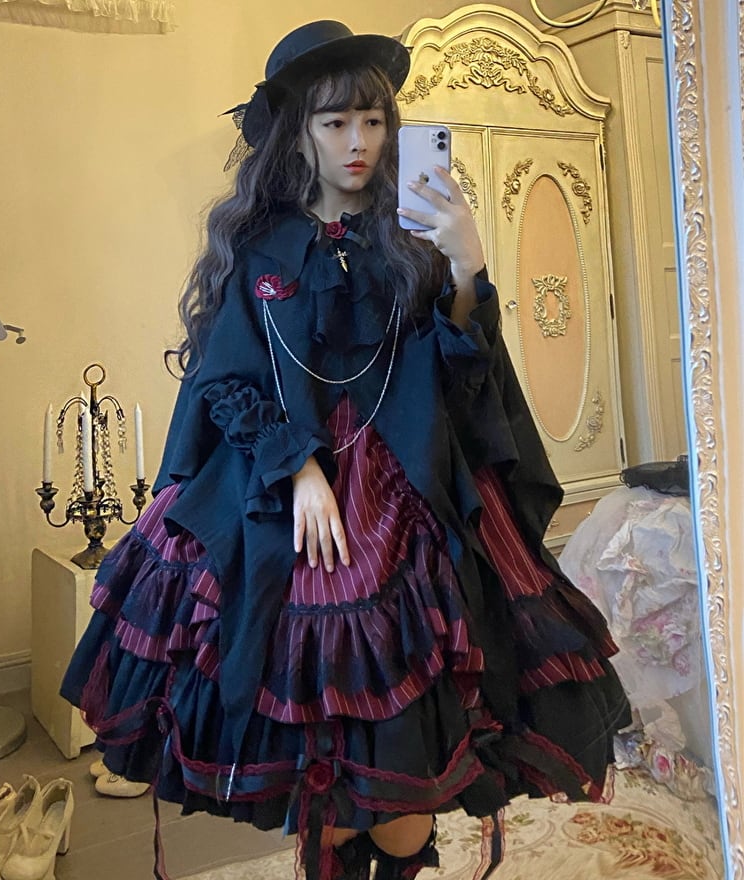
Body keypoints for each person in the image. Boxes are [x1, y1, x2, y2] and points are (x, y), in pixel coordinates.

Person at [61, 20, 631, 880]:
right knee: (319, 793)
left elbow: (464, 375)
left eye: (372, 119)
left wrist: (467, 269)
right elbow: (224, 380)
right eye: (335, 122)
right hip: (282, 496)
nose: (358, 141)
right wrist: (298, 468)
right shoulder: (257, 246)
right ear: (299, 132)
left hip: (410, 495)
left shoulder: (415, 237)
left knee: (403, 790)